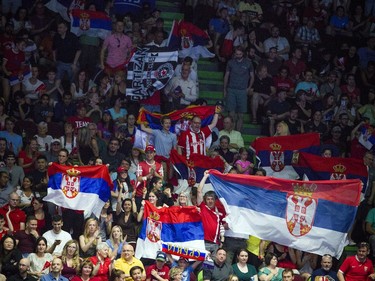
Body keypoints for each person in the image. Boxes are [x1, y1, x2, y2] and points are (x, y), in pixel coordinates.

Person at [223, 46, 254, 131]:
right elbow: (226, 75)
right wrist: (225, 89)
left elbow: (252, 76)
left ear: (243, 53)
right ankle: (230, 133)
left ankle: (238, 135)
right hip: (231, 90)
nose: (238, 55)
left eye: (240, 54)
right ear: (234, 53)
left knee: (241, 115)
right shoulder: (230, 62)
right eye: (237, 54)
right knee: (231, 114)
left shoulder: (248, 63)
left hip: (242, 91)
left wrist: (249, 88)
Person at [197, 171, 226, 256]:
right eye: (208, 199)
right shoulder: (203, 207)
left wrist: (222, 236)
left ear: (215, 200)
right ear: (205, 200)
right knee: (202, 265)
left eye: (212, 199)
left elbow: (225, 226)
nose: (210, 201)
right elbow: (199, 191)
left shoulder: (220, 213)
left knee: (212, 266)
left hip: (215, 243)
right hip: (203, 242)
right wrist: (205, 177)